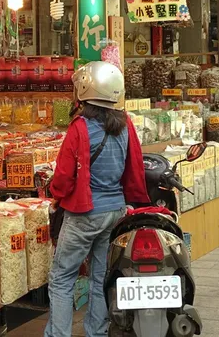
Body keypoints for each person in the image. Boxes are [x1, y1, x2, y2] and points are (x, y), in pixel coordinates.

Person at [45, 61, 149, 337]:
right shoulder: (125, 125)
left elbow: (64, 177)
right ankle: (97, 333)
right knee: (100, 278)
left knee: (62, 278)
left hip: (85, 214)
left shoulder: (80, 127)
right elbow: (134, 166)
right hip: (115, 211)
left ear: (84, 90)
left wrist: (55, 196)